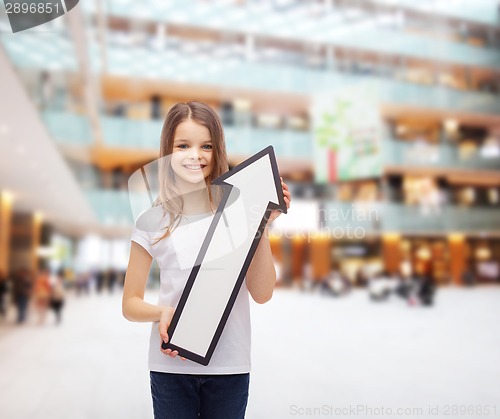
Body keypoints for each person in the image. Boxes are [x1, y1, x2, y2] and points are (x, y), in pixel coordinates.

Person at [122, 102, 291, 419]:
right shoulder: (151, 220)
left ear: (217, 151)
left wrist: (262, 222)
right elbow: (129, 303)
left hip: (230, 367)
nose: (195, 155)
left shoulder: (238, 211)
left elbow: (263, 293)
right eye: (183, 145)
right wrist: (163, 313)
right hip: (170, 367)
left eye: (206, 146)